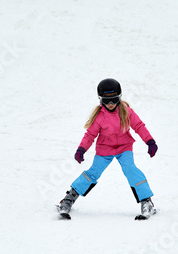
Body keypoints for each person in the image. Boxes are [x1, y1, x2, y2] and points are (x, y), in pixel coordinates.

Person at [57, 78, 158, 220]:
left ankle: (146, 201)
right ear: (100, 100)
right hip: (104, 150)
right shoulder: (99, 116)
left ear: (120, 97)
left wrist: (150, 141)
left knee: (130, 170)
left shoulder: (127, 112)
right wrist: (81, 149)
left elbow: (139, 126)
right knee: (93, 173)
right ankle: (69, 198)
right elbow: (90, 135)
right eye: (106, 100)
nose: (110, 104)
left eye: (114, 99)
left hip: (124, 147)